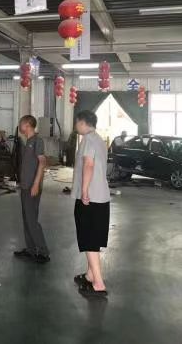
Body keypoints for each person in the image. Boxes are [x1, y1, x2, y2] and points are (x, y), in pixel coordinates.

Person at [72, 110, 111, 298]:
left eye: (76, 122)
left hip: (90, 199)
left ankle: (98, 283)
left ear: (82, 122)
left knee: (88, 239)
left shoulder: (87, 140)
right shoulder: (99, 140)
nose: (75, 125)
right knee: (94, 238)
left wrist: (85, 191)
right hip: (102, 198)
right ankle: (89, 275)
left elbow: (89, 164)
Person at [14, 115, 50, 263]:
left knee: (32, 220)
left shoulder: (37, 141)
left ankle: (43, 252)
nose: (19, 126)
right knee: (26, 220)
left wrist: (36, 184)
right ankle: (31, 250)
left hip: (31, 187)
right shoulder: (27, 142)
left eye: (21, 123)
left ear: (27, 125)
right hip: (25, 186)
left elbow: (42, 162)